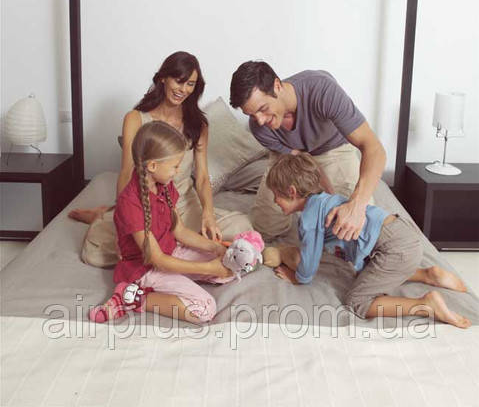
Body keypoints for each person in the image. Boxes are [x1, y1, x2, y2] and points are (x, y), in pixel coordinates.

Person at [71, 51, 252, 266]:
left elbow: (203, 177)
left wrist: (208, 214)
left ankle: (169, 242)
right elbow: (127, 172)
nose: (183, 89)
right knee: (94, 254)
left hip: (183, 205)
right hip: (145, 206)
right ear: (163, 77)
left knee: (242, 227)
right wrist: (122, 218)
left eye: (190, 84)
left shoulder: (198, 124)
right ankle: (106, 215)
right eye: (179, 81)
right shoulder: (135, 119)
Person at [264, 153, 470, 328]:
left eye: (276, 196)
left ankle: (425, 305)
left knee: (357, 302)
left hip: (393, 248)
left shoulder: (309, 216)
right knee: (368, 270)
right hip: (401, 231)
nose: (274, 201)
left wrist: (298, 277)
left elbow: (309, 262)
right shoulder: (327, 200)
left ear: (292, 192)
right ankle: (428, 274)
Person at [89, 121, 233, 324]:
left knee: (229, 266)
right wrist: (209, 268)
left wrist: (215, 248)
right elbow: (157, 260)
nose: (178, 171)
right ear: (153, 166)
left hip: (171, 252)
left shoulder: (164, 185)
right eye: (175, 166)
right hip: (147, 268)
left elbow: (180, 231)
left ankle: (194, 272)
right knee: (205, 308)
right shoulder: (130, 202)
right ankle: (133, 298)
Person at [230, 61, 386, 241]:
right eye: (251, 115)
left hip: (333, 149)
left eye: (263, 109)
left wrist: (355, 204)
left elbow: (374, 148)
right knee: (264, 227)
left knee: (362, 226)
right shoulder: (259, 127)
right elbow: (299, 159)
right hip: (291, 158)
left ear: (277, 86)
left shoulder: (322, 90)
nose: (260, 120)